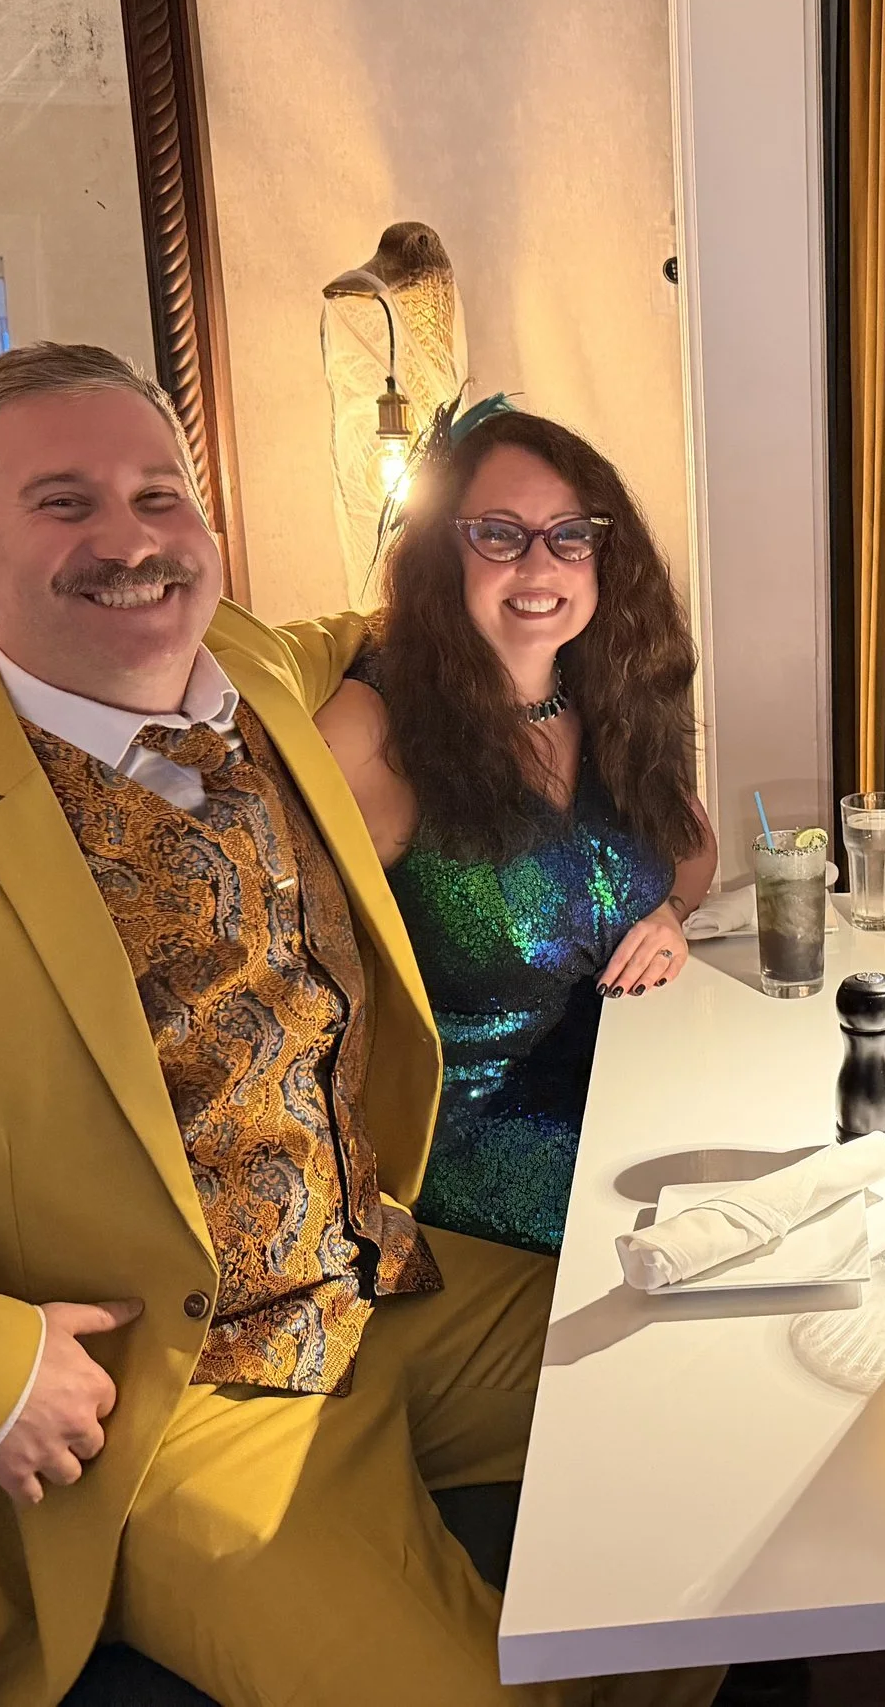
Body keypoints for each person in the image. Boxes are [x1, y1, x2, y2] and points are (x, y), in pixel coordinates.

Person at [0, 343, 719, 1707]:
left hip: (390, 1286)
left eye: (158, 495)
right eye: (65, 503)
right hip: (175, 1397)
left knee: (724, 1413)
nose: (130, 542)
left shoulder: (257, 666)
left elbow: (417, 611)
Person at [314, 399, 716, 1257]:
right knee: (716, 1232)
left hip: (632, 1085)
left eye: (571, 534)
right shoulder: (371, 731)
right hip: (475, 1141)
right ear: (443, 551)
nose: (541, 563)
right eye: (499, 534)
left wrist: (669, 914)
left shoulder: (607, 690)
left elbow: (692, 845)